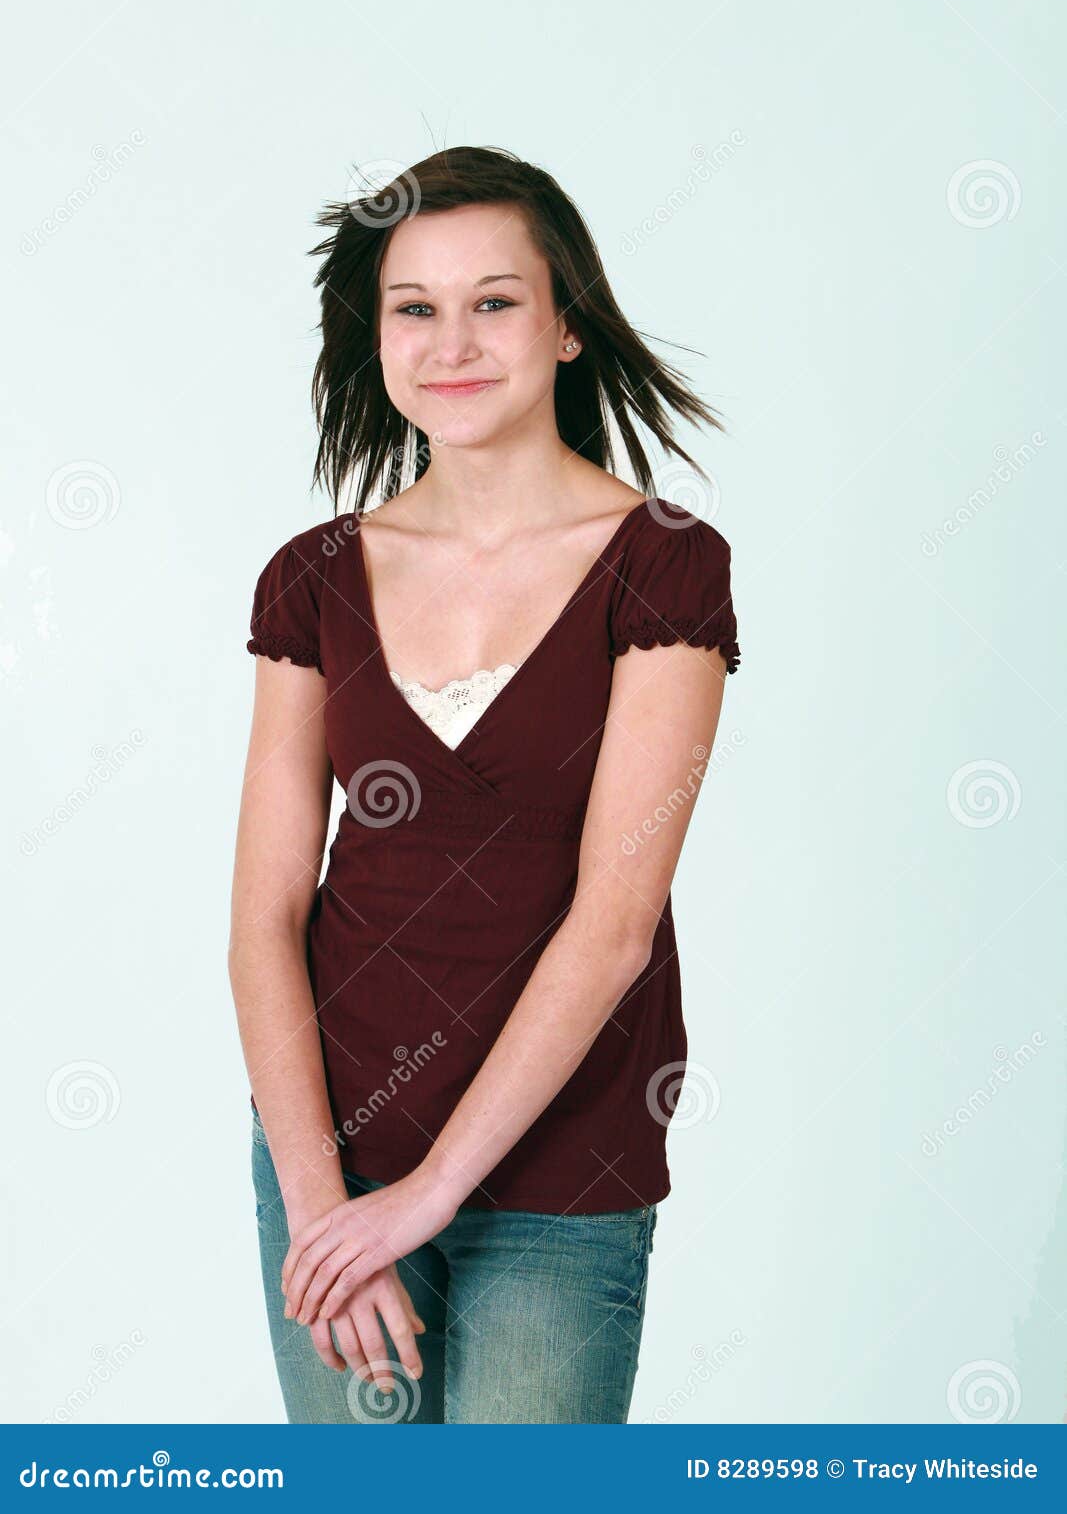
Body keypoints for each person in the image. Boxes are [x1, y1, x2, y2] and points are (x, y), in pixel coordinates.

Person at [229, 145, 741, 1425]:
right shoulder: (313, 574)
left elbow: (613, 923)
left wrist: (432, 1189)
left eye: (494, 302)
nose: (450, 342)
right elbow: (262, 917)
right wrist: (318, 1204)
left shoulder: (663, 568)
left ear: (567, 326)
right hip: (327, 1151)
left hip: (560, 1167)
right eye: (415, 308)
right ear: (378, 338)